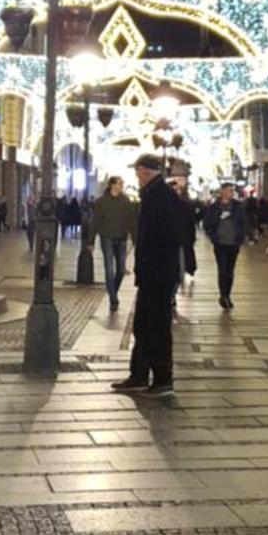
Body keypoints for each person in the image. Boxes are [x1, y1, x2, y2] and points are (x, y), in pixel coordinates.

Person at [114, 153, 177, 394]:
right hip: (153, 271)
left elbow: (167, 234)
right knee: (143, 325)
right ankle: (139, 375)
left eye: (138, 171)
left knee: (157, 326)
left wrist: (152, 264)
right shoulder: (153, 194)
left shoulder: (160, 196)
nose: (136, 176)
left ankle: (163, 378)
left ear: (146, 171)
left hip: (158, 273)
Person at [92, 175, 137, 315]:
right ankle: (113, 299)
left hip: (122, 238)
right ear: (112, 185)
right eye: (119, 183)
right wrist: (90, 241)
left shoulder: (125, 201)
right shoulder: (101, 202)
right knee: (109, 269)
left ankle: (113, 292)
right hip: (107, 238)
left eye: (122, 183)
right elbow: (95, 221)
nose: (121, 185)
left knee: (121, 270)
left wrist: (135, 238)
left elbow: (132, 220)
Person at [202, 182, 248, 309]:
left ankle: (227, 294)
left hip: (234, 242)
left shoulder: (237, 206)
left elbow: (243, 222)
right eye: (228, 190)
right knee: (222, 270)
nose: (231, 193)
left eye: (232, 191)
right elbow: (207, 223)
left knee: (230, 271)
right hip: (220, 243)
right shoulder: (214, 207)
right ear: (222, 192)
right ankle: (223, 295)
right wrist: (212, 236)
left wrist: (243, 236)